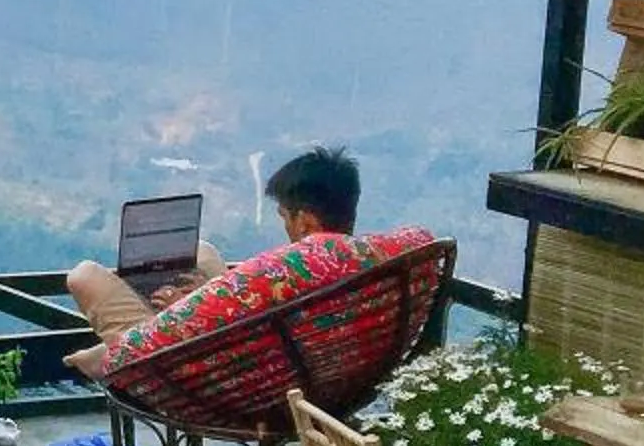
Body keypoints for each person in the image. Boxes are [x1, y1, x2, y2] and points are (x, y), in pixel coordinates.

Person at [64, 147, 410, 382]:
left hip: (211, 374)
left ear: (304, 221)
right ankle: (113, 342)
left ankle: (109, 357)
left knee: (85, 276)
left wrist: (187, 308)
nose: (286, 227)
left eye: (285, 217)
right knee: (204, 252)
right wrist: (208, 294)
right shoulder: (369, 263)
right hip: (290, 361)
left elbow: (246, 326)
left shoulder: (284, 269)